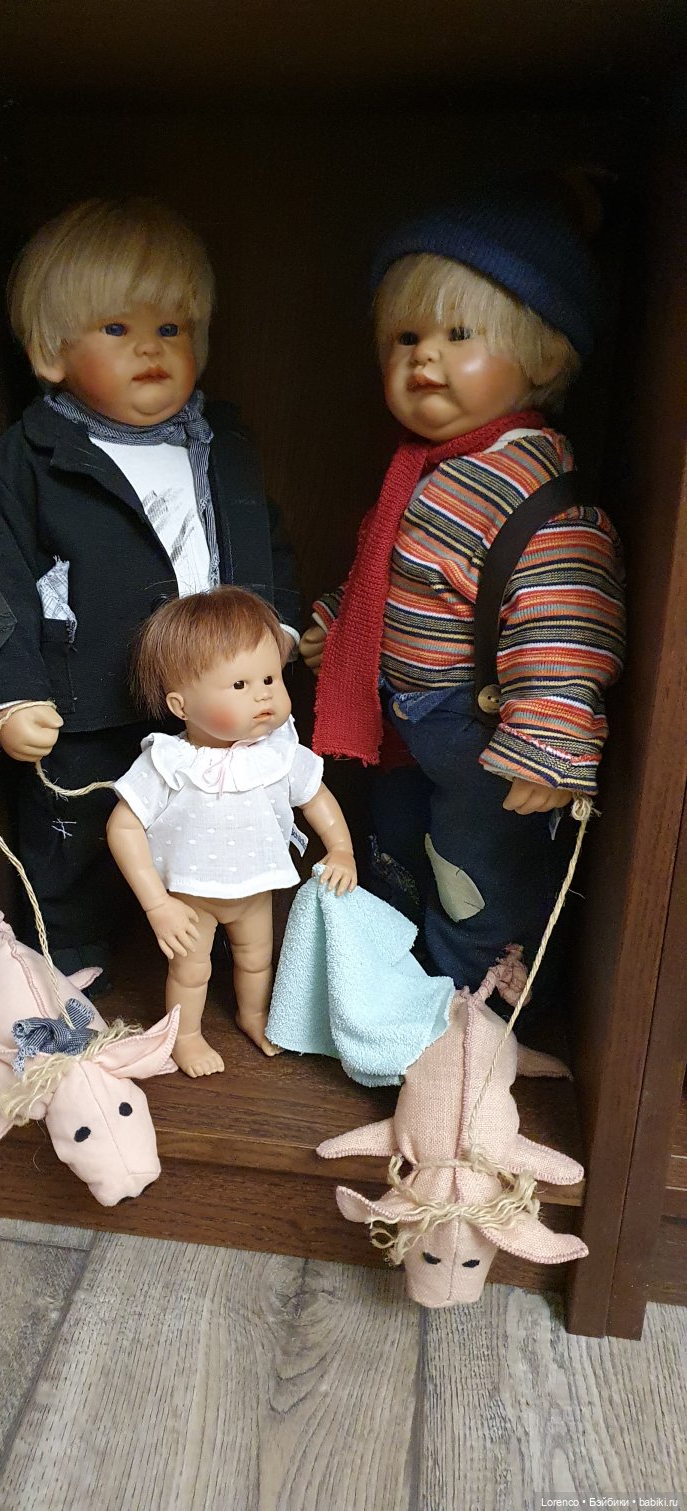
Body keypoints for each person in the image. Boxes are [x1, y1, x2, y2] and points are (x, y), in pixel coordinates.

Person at [299, 180, 626, 1009]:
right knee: (401, 843)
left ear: (542, 355)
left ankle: (476, 999)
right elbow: (391, 569)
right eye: (405, 338)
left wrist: (549, 733)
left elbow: (564, 618)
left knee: (476, 871)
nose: (424, 359)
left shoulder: (533, 487)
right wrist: (340, 624)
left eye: (459, 335)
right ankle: (406, 979)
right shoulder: (430, 467)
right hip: (410, 720)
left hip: (485, 732)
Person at [0, 199, 300, 980]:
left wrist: (275, 629)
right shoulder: (31, 460)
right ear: (51, 351)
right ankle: (68, 953)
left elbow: (261, 540)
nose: (151, 347)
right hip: (89, 696)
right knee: (78, 825)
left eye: (171, 328)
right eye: (117, 328)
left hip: (213, 699)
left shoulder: (220, 445)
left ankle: (227, 942)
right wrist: (8, 693)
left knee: (221, 816)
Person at [108, 587, 357, 1077]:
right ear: (181, 705)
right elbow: (123, 826)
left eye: (270, 678)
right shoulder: (169, 761)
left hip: (255, 890)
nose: (263, 694)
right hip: (191, 898)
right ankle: (186, 1036)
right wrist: (157, 904)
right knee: (190, 969)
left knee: (257, 959)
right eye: (240, 685)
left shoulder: (279, 753)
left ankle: (254, 1015)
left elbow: (317, 798)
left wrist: (342, 848)